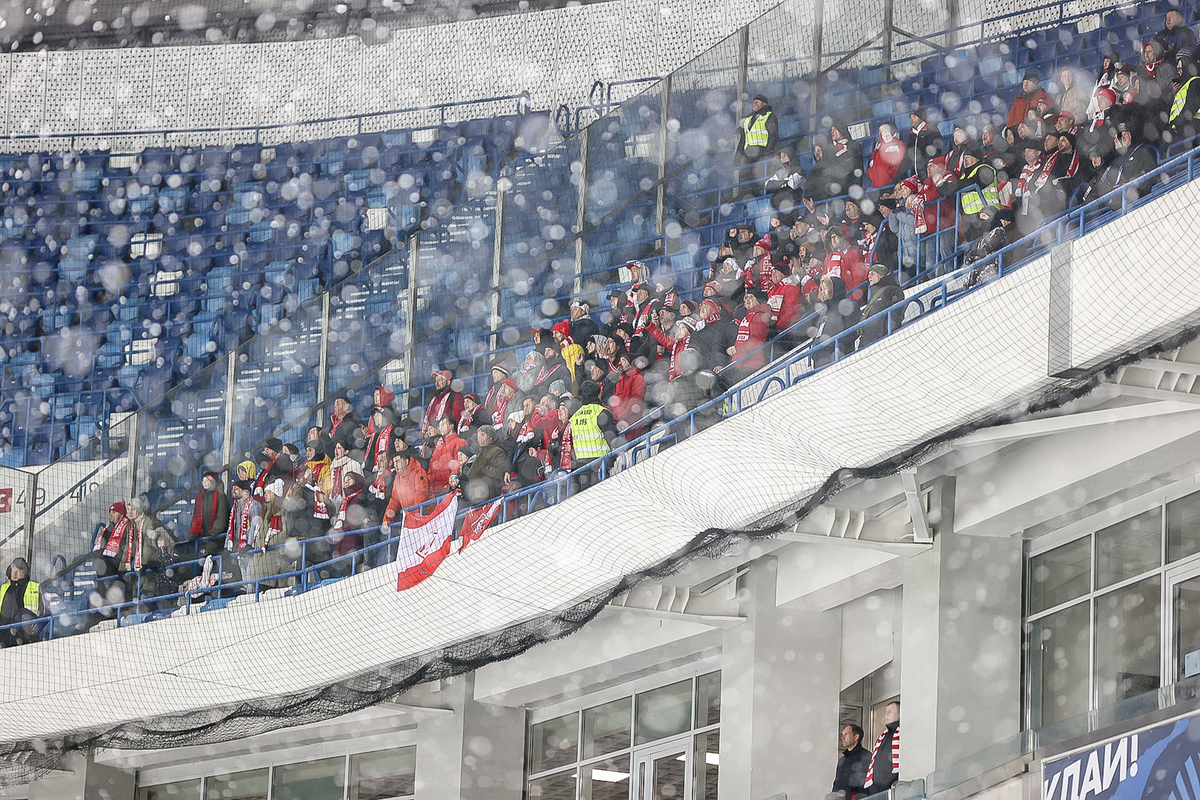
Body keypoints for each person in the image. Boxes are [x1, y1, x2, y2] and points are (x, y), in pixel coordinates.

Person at [569, 381, 620, 489]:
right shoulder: (601, 412)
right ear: (597, 395)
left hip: (581, 467)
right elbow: (613, 439)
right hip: (601, 464)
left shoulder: (574, 417)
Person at [809, 275, 860, 368]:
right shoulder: (825, 312)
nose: (822, 292)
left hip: (840, 362)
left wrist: (832, 344)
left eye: (825, 288)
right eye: (821, 289)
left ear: (834, 289)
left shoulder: (847, 305)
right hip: (820, 365)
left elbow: (853, 331)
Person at [734, 94, 779, 194]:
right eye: (754, 102)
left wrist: (767, 152)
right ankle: (750, 196)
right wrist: (738, 156)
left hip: (761, 152)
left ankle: (758, 195)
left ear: (764, 104)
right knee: (747, 177)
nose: (754, 104)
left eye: (757, 102)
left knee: (758, 177)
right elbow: (743, 139)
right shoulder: (748, 120)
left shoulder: (769, 116)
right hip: (748, 154)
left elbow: (773, 136)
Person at [857, 263, 906, 348]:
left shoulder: (893, 291)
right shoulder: (873, 295)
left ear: (881, 276)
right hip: (868, 344)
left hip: (883, 342)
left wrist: (886, 334)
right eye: (869, 274)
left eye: (873, 273)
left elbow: (896, 314)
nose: (869, 276)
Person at [382, 449, 433, 524]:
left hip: (425, 517)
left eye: (397, 461)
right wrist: (387, 519)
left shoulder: (418, 472)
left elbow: (421, 496)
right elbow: (394, 501)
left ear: (406, 462)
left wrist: (415, 517)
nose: (395, 465)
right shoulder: (397, 478)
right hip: (410, 519)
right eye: (394, 462)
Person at [0, 557, 43, 646]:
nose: (15, 573)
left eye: (19, 571)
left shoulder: (36, 587)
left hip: (26, 636)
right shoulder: (3, 588)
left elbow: (43, 612)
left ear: (25, 573)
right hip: (4, 636)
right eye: (13, 570)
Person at [187, 469, 230, 555]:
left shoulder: (220, 496)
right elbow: (196, 518)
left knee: (207, 553)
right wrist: (193, 534)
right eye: (203, 480)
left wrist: (213, 533)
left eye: (207, 480)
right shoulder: (200, 496)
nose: (204, 483)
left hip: (218, 537)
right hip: (205, 537)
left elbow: (222, 518)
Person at [863, 701, 901, 796]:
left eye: (890, 711)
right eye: (885, 712)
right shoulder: (883, 736)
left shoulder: (901, 735)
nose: (886, 715)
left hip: (891, 790)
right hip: (876, 790)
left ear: (900, 714)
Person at [429, 415, 468, 494]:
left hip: (448, 489)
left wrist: (450, 485)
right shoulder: (439, 444)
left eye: (443, 424)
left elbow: (458, 464)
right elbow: (432, 464)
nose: (440, 428)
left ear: (451, 426)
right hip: (434, 490)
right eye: (439, 426)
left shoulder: (459, 442)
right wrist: (429, 485)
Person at [832, 723, 871, 799]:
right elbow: (837, 783)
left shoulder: (866, 757)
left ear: (856, 737)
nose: (842, 738)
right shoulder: (842, 760)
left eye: (846, 734)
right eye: (842, 735)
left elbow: (867, 784)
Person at [905, 107, 942, 179]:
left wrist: (924, 169)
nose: (911, 119)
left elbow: (934, 152)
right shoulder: (912, 134)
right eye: (910, 117)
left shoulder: (932, 131)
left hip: (928, 174)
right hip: (915, 176)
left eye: (914, 117)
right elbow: (907, 156)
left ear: (921, 119)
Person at [764, 146, 805, 211]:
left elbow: (791, 185)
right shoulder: (779, 172)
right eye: (781, 155)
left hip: (794, 206)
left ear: (791, 156)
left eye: (785, 155)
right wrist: (784, 183)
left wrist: (777, 184)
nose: (782, 157)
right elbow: (767, 184)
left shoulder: (799, 171)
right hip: (779, 206)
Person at [866, 122, 906, 188]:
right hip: (876, 183)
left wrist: (889, 175)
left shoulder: (898, 145)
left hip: (890, 183)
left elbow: (898, 165)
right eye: (880, 131)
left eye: (884, 130)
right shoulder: (878, 146)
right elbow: (873, 163)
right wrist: (870, 173)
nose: (882, 133)